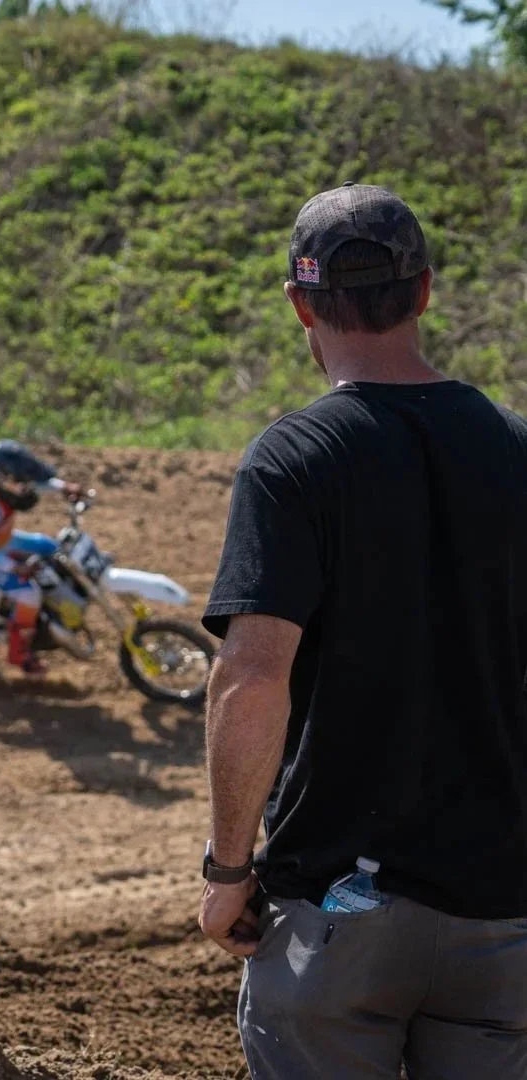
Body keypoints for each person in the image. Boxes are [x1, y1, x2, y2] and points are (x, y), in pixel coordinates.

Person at [198, 182, 527, 1077]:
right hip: (504, 923)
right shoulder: (517, 449)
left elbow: (251, 678)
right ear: (425, 292)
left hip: (336, 919)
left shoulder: (293, 461)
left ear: (300, 304)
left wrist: (229, 873)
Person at [0, 439, 82, 676]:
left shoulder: (5, 490)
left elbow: (33, 484)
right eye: (21, 483)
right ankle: (19, 654)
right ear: (4, 482)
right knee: (29, 594)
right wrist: (13, 568)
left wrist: (63, 487)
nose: (26, 487)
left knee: (49, 546)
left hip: (3, 540)